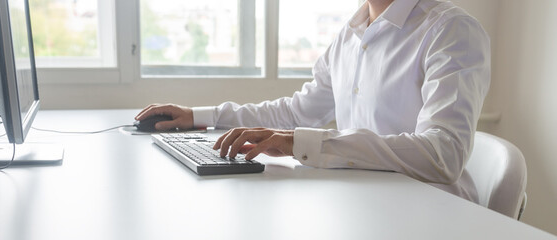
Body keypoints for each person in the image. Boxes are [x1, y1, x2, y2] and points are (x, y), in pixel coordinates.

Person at [136, 0, 490, 202]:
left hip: (431, 214)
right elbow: (296, 112)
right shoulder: (350, 36)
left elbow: (442, 154)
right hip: (364, 204)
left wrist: (298, 143)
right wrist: (198, 116)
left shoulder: (450, 30)